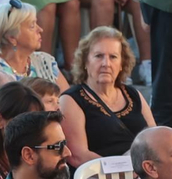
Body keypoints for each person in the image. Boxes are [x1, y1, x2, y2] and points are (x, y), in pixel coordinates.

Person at [60, 26, 154, 165]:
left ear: (122, 63)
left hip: (141, 173)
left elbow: (154, 138)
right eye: (98, 56)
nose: (106, 63)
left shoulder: (133, 94)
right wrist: (123, 170)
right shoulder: (71, 99)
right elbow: (77, 155)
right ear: (85, 61)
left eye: (113, 57)